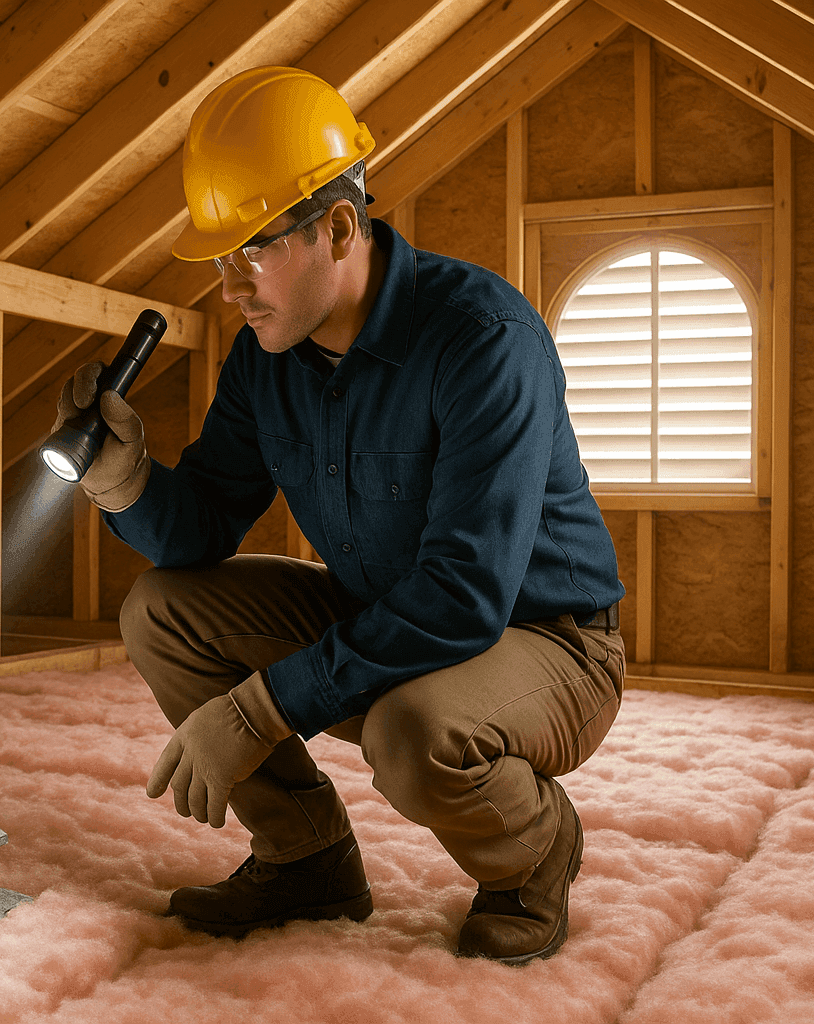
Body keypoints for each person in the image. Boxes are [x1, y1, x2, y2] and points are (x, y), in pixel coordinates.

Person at [49, 65, 625, 965]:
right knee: (159, 609)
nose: (232, 285)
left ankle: (535, 853)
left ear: (341, 227)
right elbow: (201, 529)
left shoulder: (484, 342)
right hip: (385, 617)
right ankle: (305, 856)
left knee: (413, 734)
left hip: (549, 641)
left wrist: (257, 711)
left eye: (253, 251)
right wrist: (125, 481)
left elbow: (464, 595)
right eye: (219, 260)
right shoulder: (265, 357)